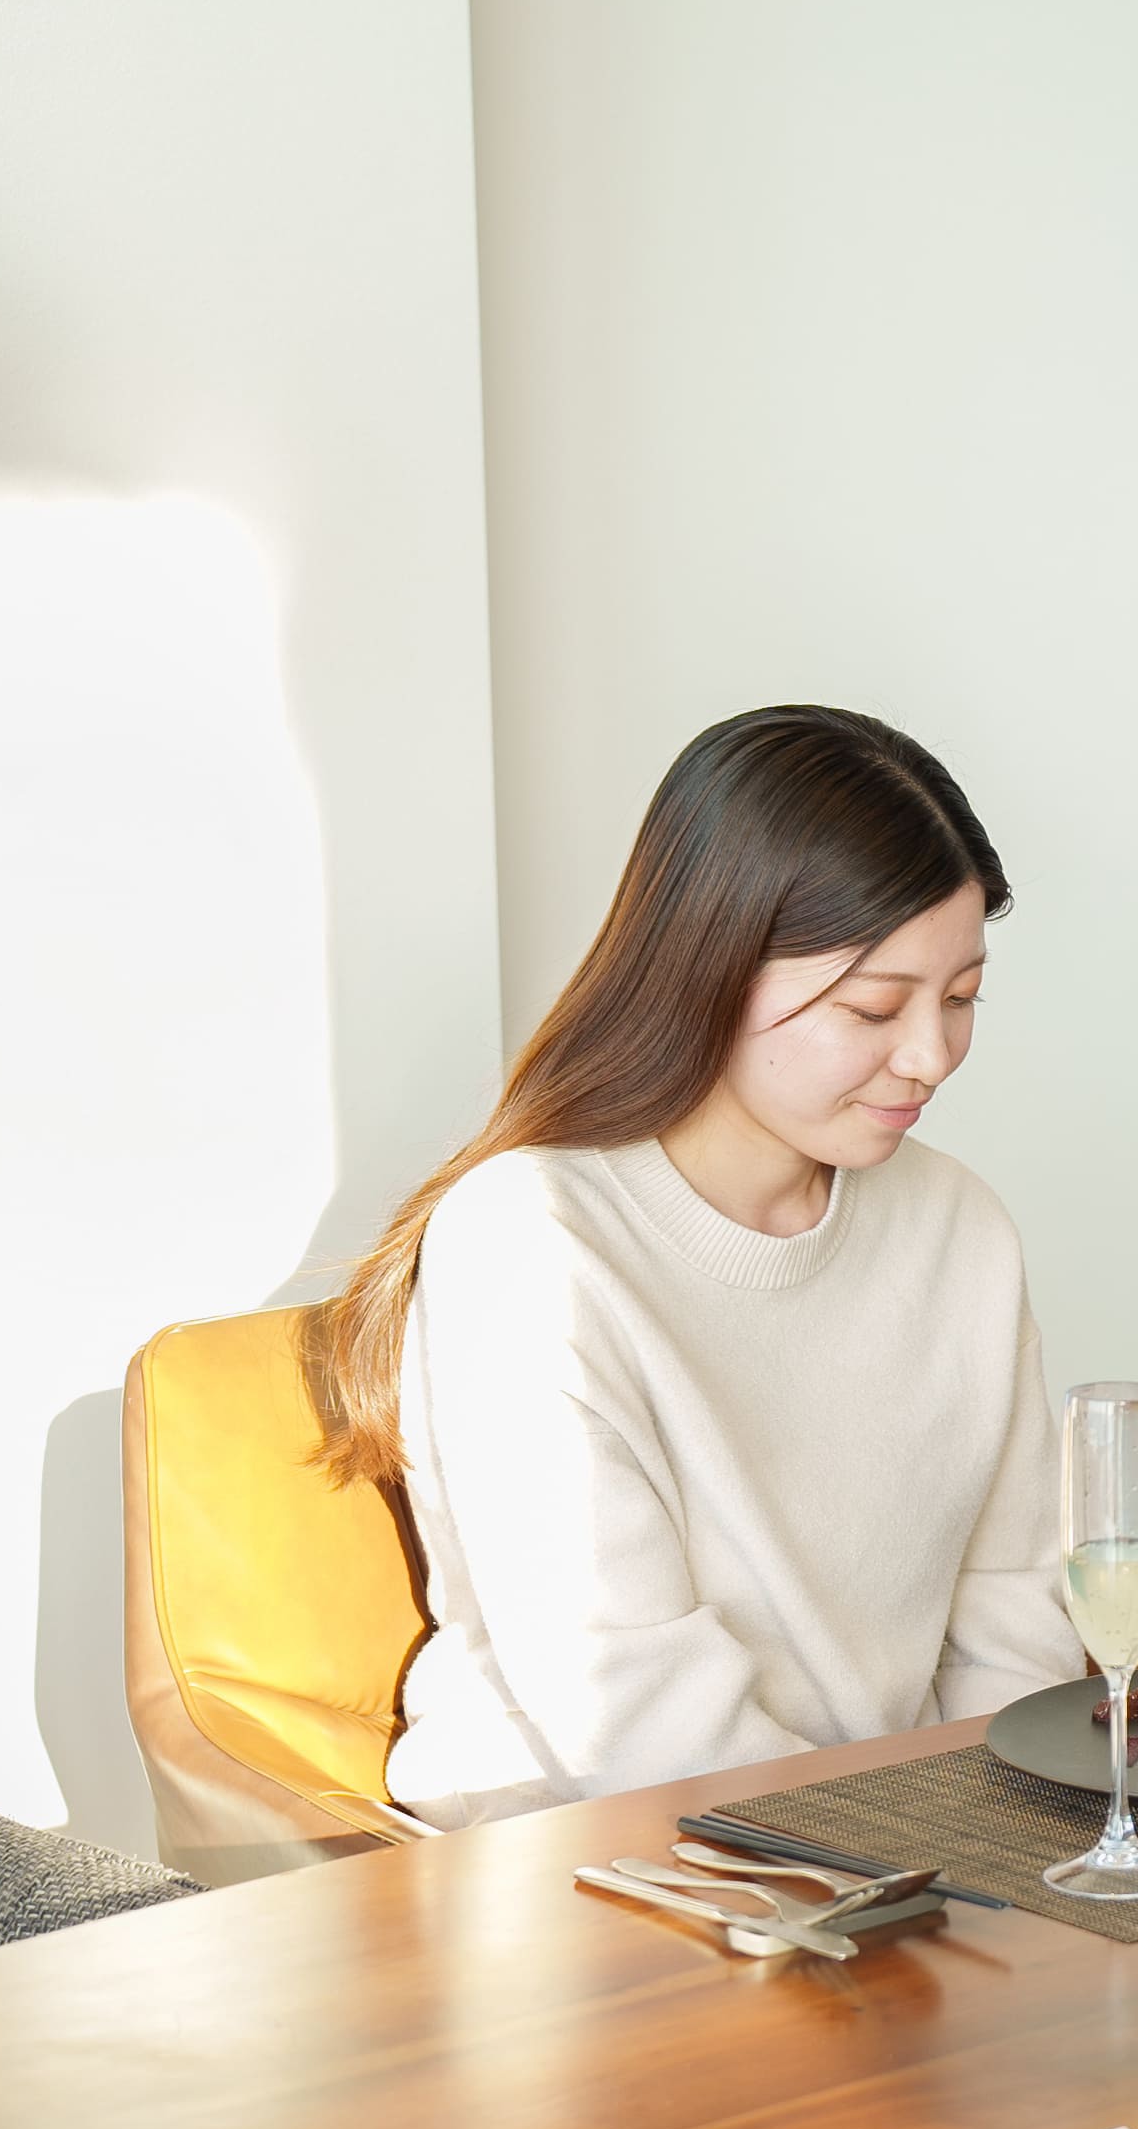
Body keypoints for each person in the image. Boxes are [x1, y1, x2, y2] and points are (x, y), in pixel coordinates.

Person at [310, 706, 1080, 1828]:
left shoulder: (957, 1226)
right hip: (593, 1860)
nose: (930, 1055)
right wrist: (904, 1865)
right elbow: (623, 1704)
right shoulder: (536, 1239)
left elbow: (1013, 1605)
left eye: (961, 998)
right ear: (714, 967)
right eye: (874, 1006)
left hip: (897, 1861)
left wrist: (995, 1840)